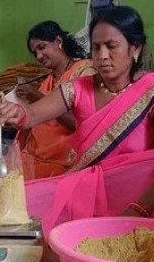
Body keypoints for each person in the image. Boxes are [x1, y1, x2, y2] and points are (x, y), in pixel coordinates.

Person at [0, 6, 154, 236]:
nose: (102, 56)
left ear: (135, 49)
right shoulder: (78, 88)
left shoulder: (151, 90)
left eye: (111, 46)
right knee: (16, 205)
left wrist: (139, 209)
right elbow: (32, 115)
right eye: (96, 48)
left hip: (144, 190)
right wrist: (15, 112)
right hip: (90, 187)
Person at [14, 21, 97, 179]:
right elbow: (36, 123)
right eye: (35, 53)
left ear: (58, 41)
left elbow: (82, 125)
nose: (39, 56)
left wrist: (38, 97)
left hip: (63, 162)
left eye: (42, 47)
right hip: (35, 155)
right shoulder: (48, 81)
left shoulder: (84, 72)